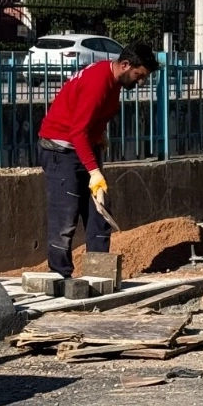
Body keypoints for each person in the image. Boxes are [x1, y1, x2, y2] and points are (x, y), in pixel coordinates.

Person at [37, 42, 160, 279]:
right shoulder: (98, 82)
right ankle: (59, 277)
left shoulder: (113, 80)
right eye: (139, 75)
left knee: (99, 211)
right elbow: (77, 131)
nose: (141, 82)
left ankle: (99, 273)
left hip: (84, 147)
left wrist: (99, 135)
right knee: (65, 215)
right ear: (125, 65)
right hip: (61, 149)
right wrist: (94, 171)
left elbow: (93, 115)